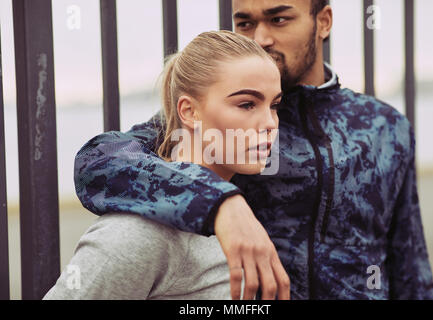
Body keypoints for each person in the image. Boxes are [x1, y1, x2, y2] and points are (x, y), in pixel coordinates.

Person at [74, 0, 433, 300]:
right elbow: (100, 160)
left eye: (279, 19)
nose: (261, 38)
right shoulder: (218, 124)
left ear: (323, 21)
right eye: (245, 23)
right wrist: (221, 203)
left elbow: (409, 265)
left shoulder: (384, 127)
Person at [44, 31, 289, 300]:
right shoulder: (140, 232)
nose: (270, 123)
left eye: (274, 105)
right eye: (247, 104)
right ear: (189, 112)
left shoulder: (244, 200)